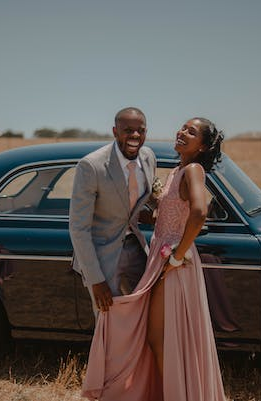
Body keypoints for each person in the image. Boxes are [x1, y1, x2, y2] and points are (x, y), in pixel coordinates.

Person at [81, 117, 227, 401]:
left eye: (192, 132)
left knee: (159, 338)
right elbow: (168, 215)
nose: (183, 132)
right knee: (161, 337)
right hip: (162, 257)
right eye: (183, 128)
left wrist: (176, 256)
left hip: (173, 262)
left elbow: (199, 213)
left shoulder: (194, 170)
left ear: (203, 146)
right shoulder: (177, 171)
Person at [69, 107, 157, 314]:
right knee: (107, 319)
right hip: (102, 254)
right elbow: (78, 227)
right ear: (115, 131)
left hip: (137, 248)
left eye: (140, 130)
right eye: (128, 130)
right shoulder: (91, 166)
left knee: (145, 312)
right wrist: (95, 280)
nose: (135, 135)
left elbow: (147, 197)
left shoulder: (148, 157)